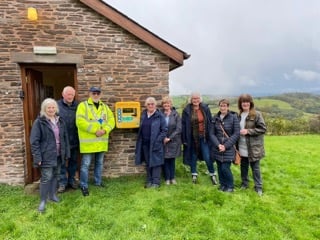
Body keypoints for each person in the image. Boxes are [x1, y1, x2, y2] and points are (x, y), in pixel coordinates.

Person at [30, 98, 70, 212]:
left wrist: (66, 153)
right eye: (49, 107)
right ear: (44, 109)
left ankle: (52, 196)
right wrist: (37, 157)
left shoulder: (60, 120)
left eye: (53, 107)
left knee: (56, 175)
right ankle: (43, 201)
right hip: (46, 155)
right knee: (46, 177)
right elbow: (34, 141)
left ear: (56, 108)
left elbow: (64, 138)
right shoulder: (39, 122)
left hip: (58, 154)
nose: (51, 109)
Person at [76, 86, 115, 196]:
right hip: (88, 143)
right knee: (85, 164)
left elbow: (112, 121)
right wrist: (95, 131)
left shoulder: (105, 107)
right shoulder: (83, 106)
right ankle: (84, 185)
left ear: (100, 94)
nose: (96, 95)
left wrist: (105, 130)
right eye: (94, 93)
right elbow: (80, 121)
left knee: (99, 163)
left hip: (101, 142)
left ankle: (98, 182)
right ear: (90, 94)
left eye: (98, 93)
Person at [181, 92, 217, 184]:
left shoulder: (205, 108)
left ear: (200, 99)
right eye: (194, 99)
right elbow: (183, 125)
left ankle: (212, 174)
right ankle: (194, 175)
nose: (195, 100)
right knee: (193, 156)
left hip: (204, 137)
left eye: (197, 98)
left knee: (207, 156)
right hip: (192, 137)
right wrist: (184, 139)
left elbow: (210, 122)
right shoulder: (187, 110)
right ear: (191, 100)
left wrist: (212, 135)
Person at [237, 94, 267, 196]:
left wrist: (248, 131)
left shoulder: (257, 114)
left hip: (253, 147)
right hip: (241, 145)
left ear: (250, 103)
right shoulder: (239, 115)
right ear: (240, 104)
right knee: (243, 167)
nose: (245, 103)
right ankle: (244, 184)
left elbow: (263, 129)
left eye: (247, 101)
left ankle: (258, 187)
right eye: (243, 102)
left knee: (255, 168)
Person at [135, 97, 167, 188]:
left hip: (156, 143)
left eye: (152, 104)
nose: (150, 106)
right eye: (148, 104)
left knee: (156, 162)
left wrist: (158, 140)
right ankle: (149, 180)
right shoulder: (144, 114)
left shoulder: (159, 116)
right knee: (148, 162)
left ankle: (156, 182)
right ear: (146, 105)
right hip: (145, 143)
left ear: (155, 105)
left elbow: (164, 130)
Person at [211, 99, 240, 192]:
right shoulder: (215, 118)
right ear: (219, 106)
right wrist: (218, 145)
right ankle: (222, 185)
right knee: (219, 167)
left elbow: (236, 134)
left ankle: (230, 186)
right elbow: (211, 134)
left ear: (228, 107)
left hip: (228, 148)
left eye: (224, 106)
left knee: (225, 168)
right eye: (221, 105)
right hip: (217, 148)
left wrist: (225, 146)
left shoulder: (233, 117)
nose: (222, 107)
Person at [57, 86, 79, 193]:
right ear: (63, 94)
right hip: (61, 140)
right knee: (61, 162)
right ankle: (62, 183)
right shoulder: (56, 106)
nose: (70, 96)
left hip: (74, 139)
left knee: (73, 162)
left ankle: (71, 180)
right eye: (68, 94)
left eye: (72, 94)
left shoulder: (78, 106)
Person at [160, 96, 182, 185]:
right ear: (163, 105)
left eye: (168, 103)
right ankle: (167, 178)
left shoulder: (176, 114)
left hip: (173, 141)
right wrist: (164, 137)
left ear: (171, 104)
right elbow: (158, 127)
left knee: (172, 160)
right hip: (163, 140)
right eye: (165, 103)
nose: (166, 105)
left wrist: (170, 138)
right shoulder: (160, 114)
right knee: (165, 160)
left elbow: (179, 128)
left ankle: (172, 178)